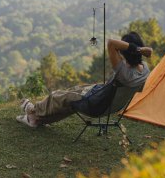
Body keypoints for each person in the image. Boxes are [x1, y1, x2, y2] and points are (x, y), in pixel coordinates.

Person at [16, 31, 152, 127]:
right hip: (110, 106)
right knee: (72, 95)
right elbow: (136, 89)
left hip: (96, 104)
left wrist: (138, 49)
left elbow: (111, 43)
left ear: (123, 51)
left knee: (59, 96)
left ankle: (33, 110)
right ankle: (36, 120)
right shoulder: (145, 70)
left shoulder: (123, 71)